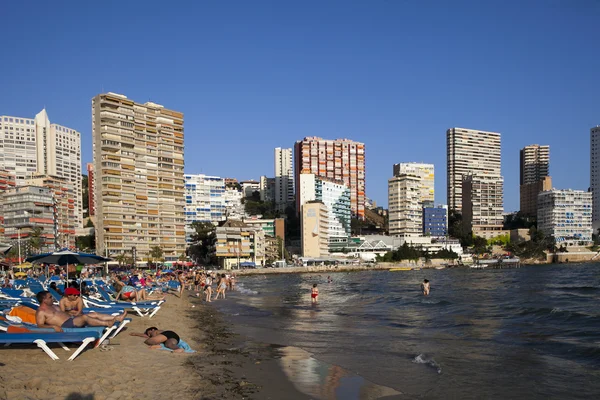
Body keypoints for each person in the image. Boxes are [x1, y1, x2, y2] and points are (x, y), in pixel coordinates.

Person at [35, 290, 127, 332]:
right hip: (67, 325)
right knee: (85, 317)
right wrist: (53, 327)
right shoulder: (41, 311)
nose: (52, 298)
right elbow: (40, 325)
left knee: (94, 314)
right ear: (44, 300)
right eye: (50, 297)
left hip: (72, 319)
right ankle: (107, 323)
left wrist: (70, 312)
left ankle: (117, 318)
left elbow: (62, 313)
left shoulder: (53, 306)